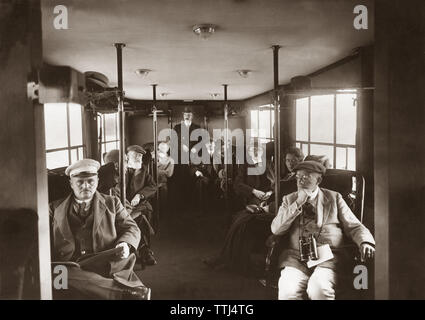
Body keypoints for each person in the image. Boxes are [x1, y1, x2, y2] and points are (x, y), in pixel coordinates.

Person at [271, 161, 375, 300]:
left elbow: (354, 225)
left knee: (318, 288)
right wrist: (297, 204)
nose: (300, 180)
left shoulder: (334, 198)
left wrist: (365, 242)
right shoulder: (289, 200)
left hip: (329, 256)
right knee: (287, 291)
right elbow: (276, 229)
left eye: (306, 176)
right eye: (298, 176)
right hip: (296, 258)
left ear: (318, 180)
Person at [49, 159, 151, 299]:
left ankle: (98, 286)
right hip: (71, 264)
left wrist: (125, 244)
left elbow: (131, 227)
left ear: (97, 181)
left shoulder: (112, 202)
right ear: (71, 183)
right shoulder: (53, 208)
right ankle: (123, 293)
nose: (86, 186)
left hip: (105, 259)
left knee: (68, 280)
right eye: (80, 182)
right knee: (58, 275)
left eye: (90, 181)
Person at [203, 146, 303, 274]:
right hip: (265, 203)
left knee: (244, 220)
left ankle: (231, 261)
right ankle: (226, 258)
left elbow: (286, 201)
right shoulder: (246, 166)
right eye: (288, 160)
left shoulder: (298, 178)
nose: (290, 164)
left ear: (301, 160)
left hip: (279, 215)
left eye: (293, 161)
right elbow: (239, 185)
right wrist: (259, 197)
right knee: (241, 218)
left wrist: (266, 206)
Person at [126, 145, 158, 266]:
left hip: (140, 204)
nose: (138, 158)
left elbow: (153, 186)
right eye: (135, 155)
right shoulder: (121, 171)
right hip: (123, 205)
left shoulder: (143, 170)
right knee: (137, 220)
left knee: (143, 215)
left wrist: (140, 195)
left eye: (140, 156)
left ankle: (143, 249)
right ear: (127, 157)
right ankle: (144, 250)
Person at [171, 106, 202, 213]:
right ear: (183, 116)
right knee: (180, 180)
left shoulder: (198, 128)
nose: (187, 116)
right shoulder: (177, 127)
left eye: (189, 115)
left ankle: (192, 205)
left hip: (193, 158)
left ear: (192, 116)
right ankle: (181, 205)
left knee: (192, 180)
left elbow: (201, 142)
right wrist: (181, 147)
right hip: (180, 158)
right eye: (185, 115)